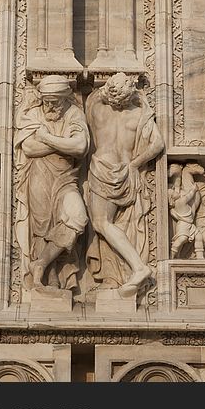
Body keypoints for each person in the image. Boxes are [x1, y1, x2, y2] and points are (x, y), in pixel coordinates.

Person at [85, 73, 164, 298]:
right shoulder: (139, 114)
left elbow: (93, 97)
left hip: (102, 169)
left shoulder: (97, 108)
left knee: (101, 223)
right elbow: (158, 144)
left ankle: (139, 267)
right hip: (125, 171)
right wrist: (135, 164)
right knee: (110, 223)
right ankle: (131, 269)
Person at [14, 75, 90, 292]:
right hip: (38, 176)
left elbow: (80, 147)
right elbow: (29, 148)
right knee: (43, 226)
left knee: (77, 217)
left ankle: (40, 264)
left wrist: (46, 138)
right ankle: (48, 275)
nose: (50, 105)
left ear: (66, 98)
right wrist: (62, 144)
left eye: (55, 101)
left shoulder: (74, 114)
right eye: (46, 100)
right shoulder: (34, 113)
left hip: (66, 179)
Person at [168, 163, 205, 259]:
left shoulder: (175, 206)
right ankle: (171, 254)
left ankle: (200, 256)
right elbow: (189, 196)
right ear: (172, 198)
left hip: (189, 224)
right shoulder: (180, 201)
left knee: (199, 236)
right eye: (173, 192)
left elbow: (173, 213)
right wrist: (194, 189)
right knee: (182, 238)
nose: (176, 191)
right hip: (184, 224)